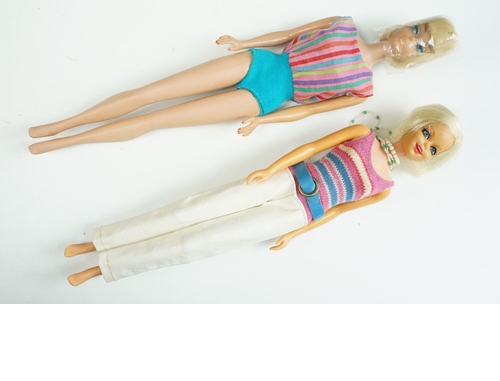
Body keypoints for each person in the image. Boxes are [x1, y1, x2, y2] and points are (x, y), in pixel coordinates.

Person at [64, 104, 461, 286]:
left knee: (198, 244)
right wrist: (271, 169)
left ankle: (106, 267)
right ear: (418, 122)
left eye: (433, 149)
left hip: (296, 215)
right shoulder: (363, 135)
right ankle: (99, 241)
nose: (423, 143)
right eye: (427, 133)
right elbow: (313, 147)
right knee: (193, 210)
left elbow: (337, 211)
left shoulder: (384, 188)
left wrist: (295, 233)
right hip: (286, 179)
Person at [28, 15, 456, 154]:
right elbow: (290, 34)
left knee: (160, 119)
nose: (410, 42)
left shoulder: (364, 87)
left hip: (265, 97)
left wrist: (263, 122)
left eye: (422, 47)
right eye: (418, 31)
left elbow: (307, 111)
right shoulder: (344, 24)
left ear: (417, 59)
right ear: (409, 24)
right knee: (149, 93)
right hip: (260, 62)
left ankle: (65, 142)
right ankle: (61, 124)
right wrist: (244, 42)